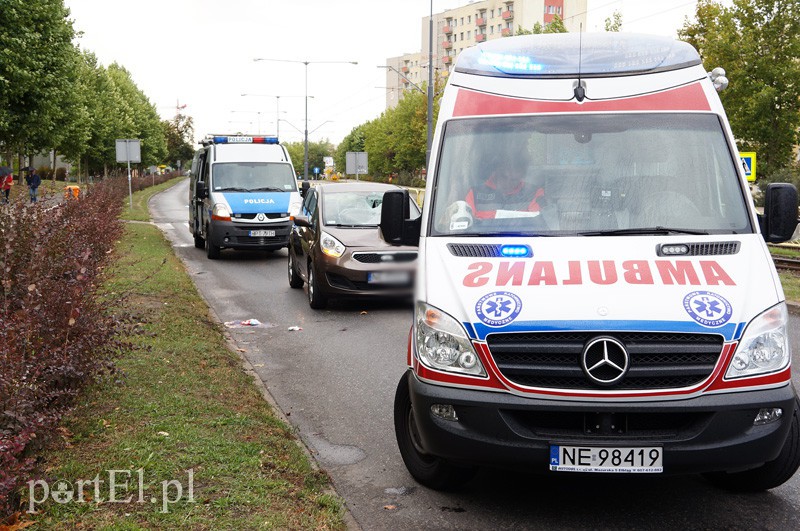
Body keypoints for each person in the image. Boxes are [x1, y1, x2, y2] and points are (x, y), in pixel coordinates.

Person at [464, 154, 544, 219]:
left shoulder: (534, 193)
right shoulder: (474, 194)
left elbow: (536, 224)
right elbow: (468, 225)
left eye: (514, 180)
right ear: (495, 171)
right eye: (503, 177)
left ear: (522, 175)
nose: (507, 183)